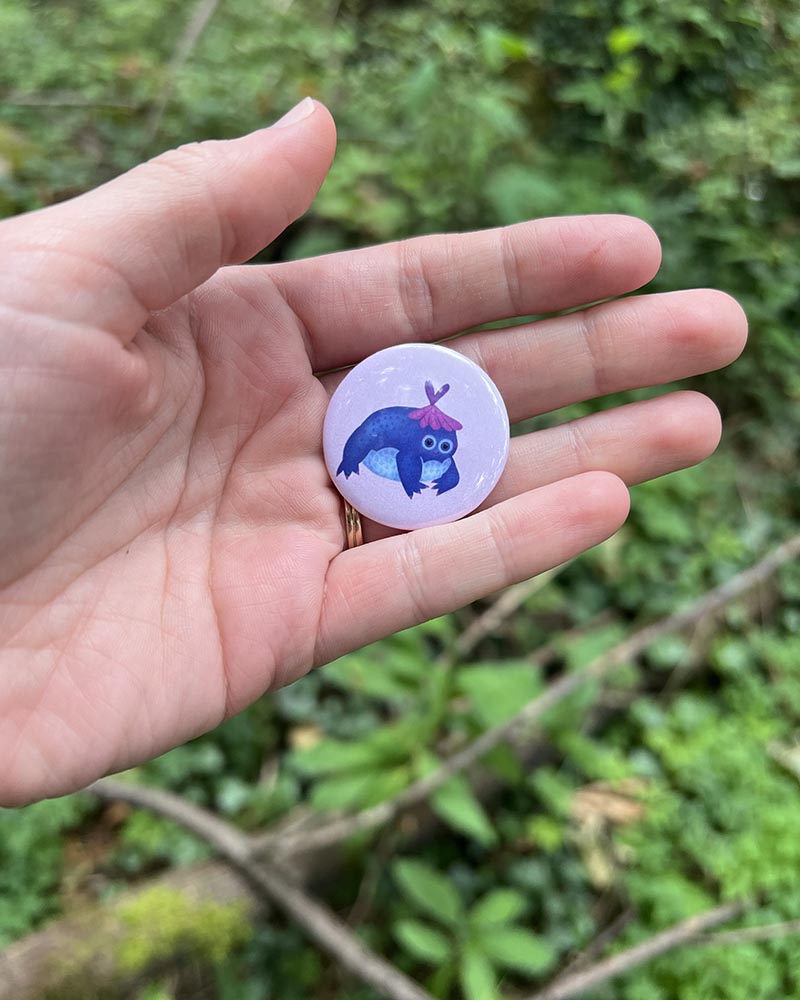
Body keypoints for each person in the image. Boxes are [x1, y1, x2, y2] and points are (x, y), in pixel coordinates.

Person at [0, 98, 747, 806]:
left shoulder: (430, 434)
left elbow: (434, 461)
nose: (436, 443)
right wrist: (370, 469)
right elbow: (386, 448)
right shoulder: (388, 423)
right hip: (366, 444)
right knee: (376, 449)